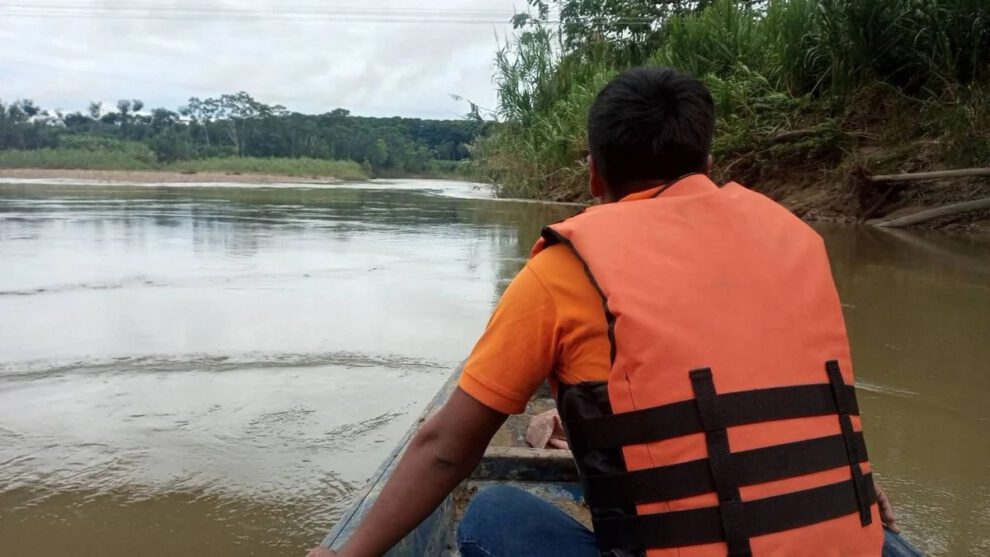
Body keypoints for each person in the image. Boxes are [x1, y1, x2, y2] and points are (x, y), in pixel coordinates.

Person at [307, 67, 923, 557]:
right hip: (835, 544)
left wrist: (349, 554)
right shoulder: (798, 245)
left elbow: (447, 448)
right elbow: (797, 401)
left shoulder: (562, 270)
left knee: (495, 514)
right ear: (708, 166)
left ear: (595, 175)